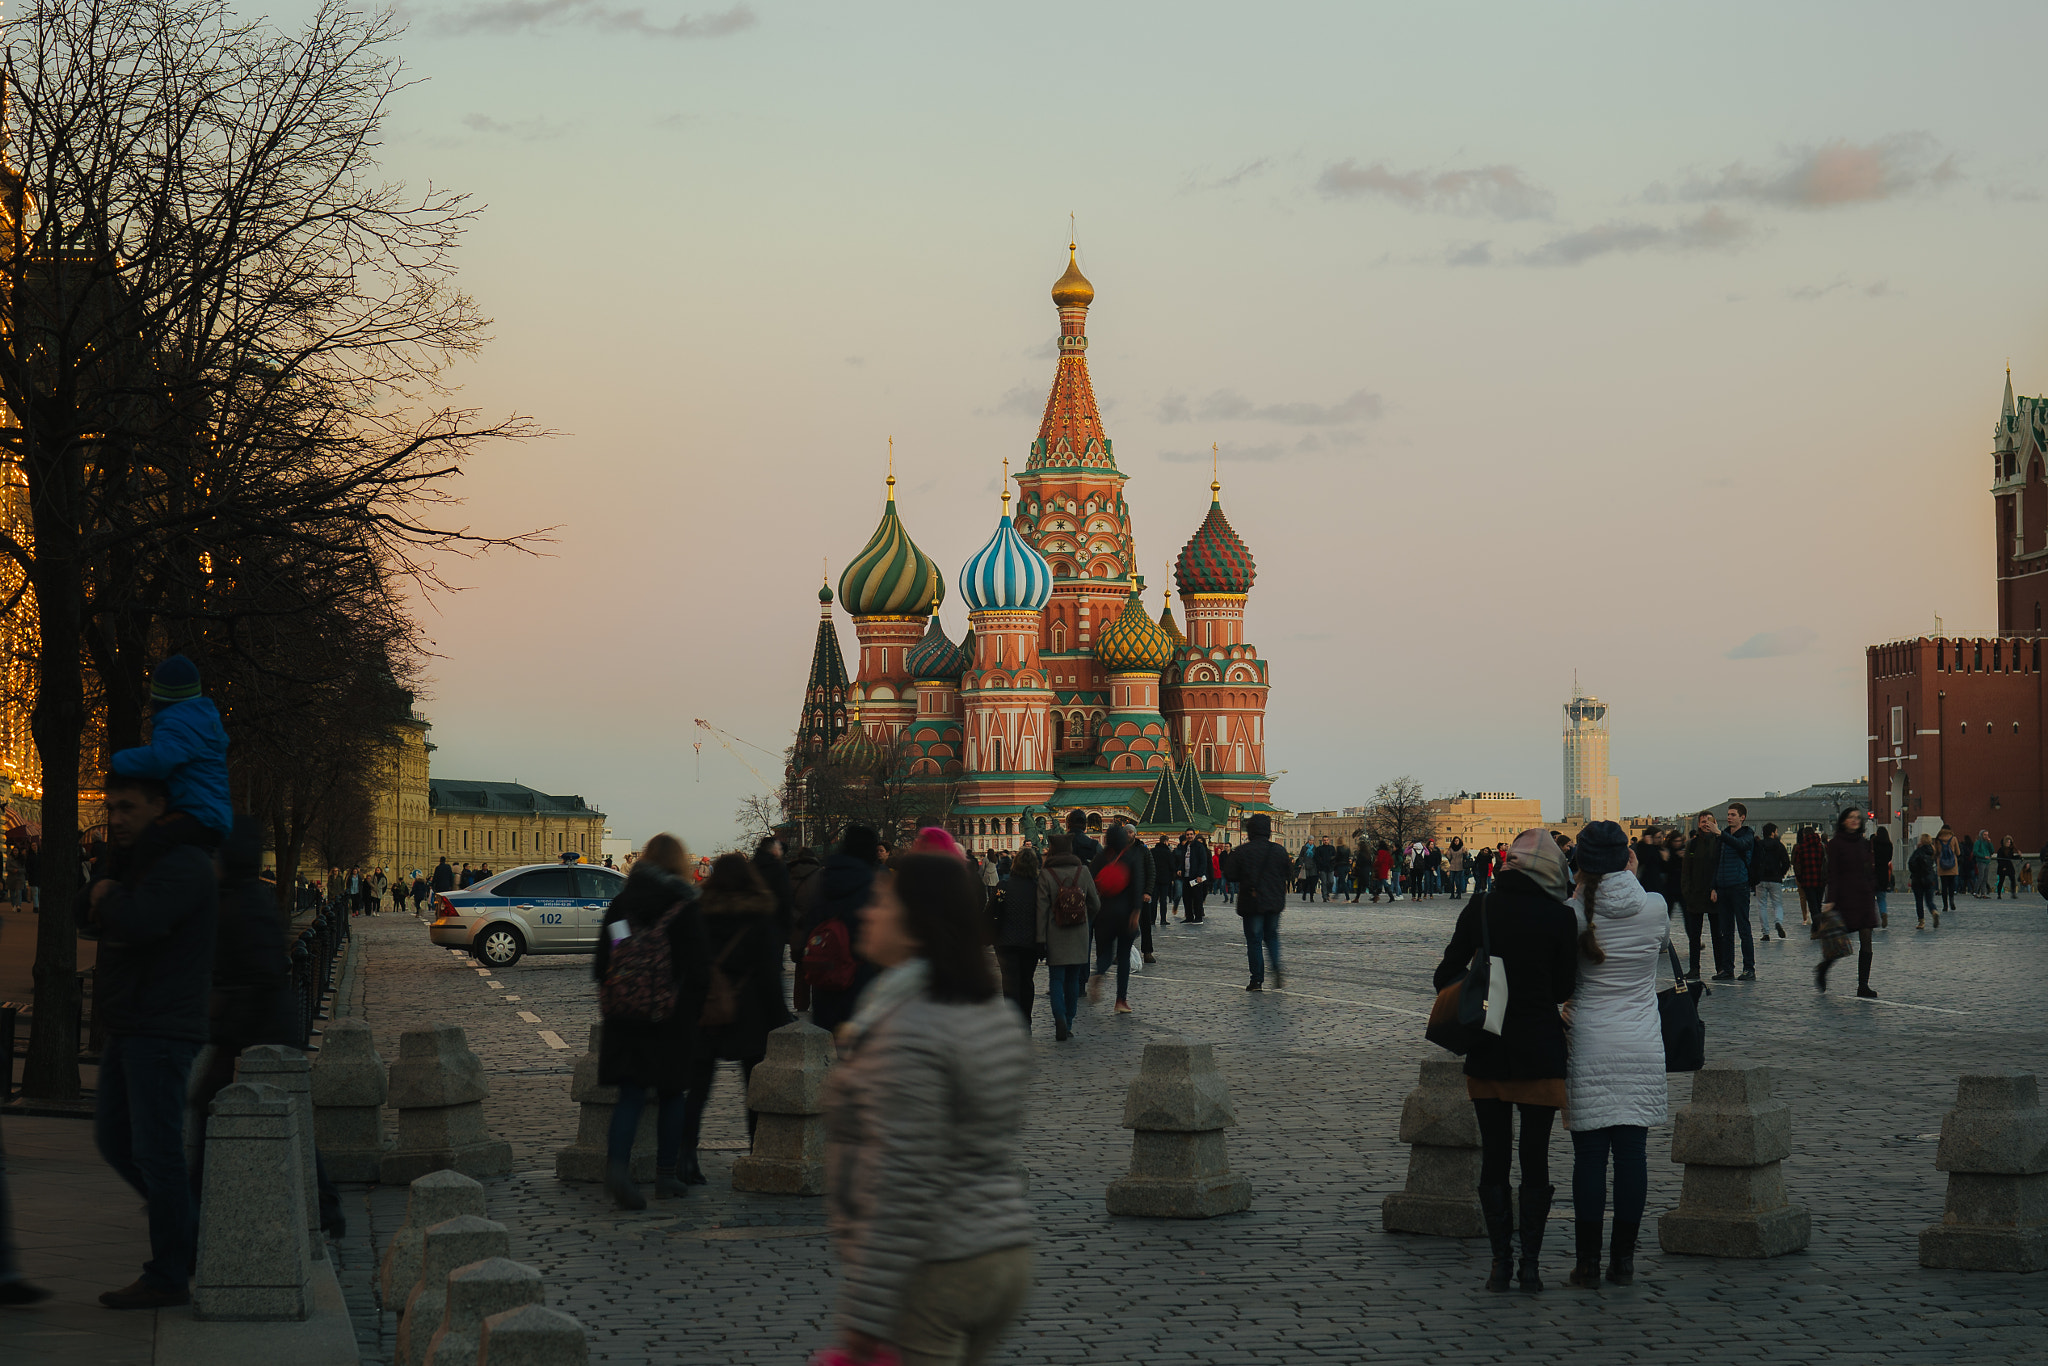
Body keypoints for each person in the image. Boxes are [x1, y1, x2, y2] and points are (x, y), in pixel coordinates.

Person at [823, 854, 1032, 1366]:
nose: (868, 913)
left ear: (917, 925)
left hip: (939, 1264)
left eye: (881, 902)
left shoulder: (909, 1029)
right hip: (1004, 1251)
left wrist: (864, 1315)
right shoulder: (994, 1011)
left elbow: (903, 1178)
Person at [86, 771, 220, 1309]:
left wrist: (108, 896)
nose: (115, 818)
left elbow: (141, 921)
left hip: (163, 1027)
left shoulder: (183, 862)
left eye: (126, 807)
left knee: (157, 1152)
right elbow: (81, 908)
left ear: (158, 805)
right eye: (109, 807)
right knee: (115, 1140)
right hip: (134, 1020)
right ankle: (185, 1236)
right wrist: (105, 889)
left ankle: (169, 1272)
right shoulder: (136, 861)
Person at [1432, 829, 1578, 1293]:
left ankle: (1499, 1264)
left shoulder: (1480, 908)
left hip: (1488, 1047)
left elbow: (1444, 976)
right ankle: (1530, 1266)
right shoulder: (1558, 918)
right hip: (1539, 1049)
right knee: (1535, 1159)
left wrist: (1482, 975)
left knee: (1494, 1156)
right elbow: (1562, 989)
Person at [1560, 822, 1667, 1289]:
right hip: (1641, 1041)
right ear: (1628, 857)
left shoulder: (1572, 913)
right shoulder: (1657, 907)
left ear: (1580, 863)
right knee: (1632, 1155)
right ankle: (1622, 1261)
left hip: (1588, 1040)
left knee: (1588, 1156)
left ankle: (1586, 1264)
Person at [592, 833, 710, 1208]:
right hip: (670, 1018)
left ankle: (618, 1169)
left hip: (625, 1017)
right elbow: (699, 969)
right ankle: (665, 1176)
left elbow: (604, 961)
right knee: (673, 1094)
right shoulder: (685, 906)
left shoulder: (622, 904)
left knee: (630, 1095)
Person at [683, 853, 792, 1186]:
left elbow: (687, 966)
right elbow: (770, 975)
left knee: (698, 1091)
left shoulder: (698, 912)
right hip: (751, 1013)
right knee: (754, 1090)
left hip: (707, 1011)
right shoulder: (760, 916)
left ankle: (684, 1158)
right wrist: (781, 1021)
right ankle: (758, 1155)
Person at [108, 655, 232, 844]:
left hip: (196, 814)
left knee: (151, 839)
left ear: (159, 701)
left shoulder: (175, 724)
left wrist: (120, 760)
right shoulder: (202, 723)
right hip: (212, 813)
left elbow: (160, 760)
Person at [803, 825, 885, 1035]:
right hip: (859, 979)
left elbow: (811, 924)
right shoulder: (870, 883)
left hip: (825, 977)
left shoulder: (824, 879)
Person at [1036, 835, 1098, 1042]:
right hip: (1079, 934)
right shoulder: (1084, 872)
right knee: (1072, 980)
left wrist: (1040, 938)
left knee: (1056, 979)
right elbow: (1095, 904)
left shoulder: (1046, 874)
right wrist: (1083, 916)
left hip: (1055, 934)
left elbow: (1041, 910)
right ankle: (1069, 1021)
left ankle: (1059, 1017)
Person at [1817, 809, 1880, 998]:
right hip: (1845, 897)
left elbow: (1868, 868)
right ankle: (1823, 968)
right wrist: (1830, 900)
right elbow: (1833, 873)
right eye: (1850, 817)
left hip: (1864, 896)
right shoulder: (1835, 844)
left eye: (1857, 818)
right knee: (1839, 943)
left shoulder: (1864, 843)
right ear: (1843, 821)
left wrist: (1873, 887)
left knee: (1866, 939)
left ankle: (1863, 985)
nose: (1854, 820)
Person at [1224, 813, 1291, 990]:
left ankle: (1257, 980)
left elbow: (1230, 875)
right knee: (1272, 936)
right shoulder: (1278, 850)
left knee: (1254, 940)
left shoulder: (1242, 851)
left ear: (1251, 830)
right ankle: (1276, 966)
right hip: (1274, 901)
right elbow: (1289, 873)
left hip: (1251, 901)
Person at [1087, 824, 1146, 1014]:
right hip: (1126, 914)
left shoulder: (1100, 858)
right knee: (1123, 957)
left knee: (1104, 953)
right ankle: (1121, 1000)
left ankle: (1098, 973)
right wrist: (1136, 912)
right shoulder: (1131, 857)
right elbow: (1138, 885)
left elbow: (1090, 882)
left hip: (1103, 913)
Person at [991, 845, 1043, 1031]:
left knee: (1010, 982)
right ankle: (1026, 1021)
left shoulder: (1003, 886)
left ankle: (1012, 1022)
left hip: (1006, 943)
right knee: (1027, 982)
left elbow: (991, 912)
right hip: (1030, 943)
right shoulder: (1038, 889)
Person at [1709, 802, 1757, 981]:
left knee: (1744, 929)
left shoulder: (1747, 834)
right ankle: (1727, 969)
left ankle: (1749, 968)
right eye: (1728, 814)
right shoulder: (1722, 836)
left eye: (1733, 815)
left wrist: (1720, 833)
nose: (1729, 817)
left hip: (1739, 886)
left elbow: (1741, 845)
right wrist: (1714, 886)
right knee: (1726, 931)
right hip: (1723, 887)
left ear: (1742, 818)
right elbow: (1717, 862)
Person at [1679, 812, 1718, 981]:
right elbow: (1686, 870)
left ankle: (1722, 968)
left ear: (1714, 823)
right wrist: (1687, 891)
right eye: (1703, 821)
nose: (1705, 824)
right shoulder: (1693, 844)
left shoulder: (1720, 842)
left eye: (1708, 821)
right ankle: (1694, 969)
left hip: (1714, 896)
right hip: (1695, 896)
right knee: (1695, 937)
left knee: (1718, 935)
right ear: (1698, 824)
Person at [1752, 823, 1790, 941]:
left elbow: (1753, 862)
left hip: (1760, 879)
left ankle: (1765, 933)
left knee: (1761, 905)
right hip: (1775, 879)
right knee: (1777, 904)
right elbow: (1786, 862)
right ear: (1773, 832)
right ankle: (1778, 921)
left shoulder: (1759, 845)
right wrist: (1781, 874)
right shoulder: (1779, 845)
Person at [1791, 825, 1826, 927]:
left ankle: (1816, 927)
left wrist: (1800, 878)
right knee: (1818, 904)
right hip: (1821, 880)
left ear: (1804, 835)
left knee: (1812, 904)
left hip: (1807, 880)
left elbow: (1797, 865)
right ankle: (1818, 925)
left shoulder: (1800, 848)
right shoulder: (1822, 847)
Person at [1908, 833, 1939, 928]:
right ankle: (1934, 911)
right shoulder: (1932, 851)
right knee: (1929, 900)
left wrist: (1914, 872)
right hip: (1930, 878)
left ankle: (1921, 922)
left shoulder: (1919, 851)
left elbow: (1911, 863)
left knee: (1919, 901)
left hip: (1918, 879)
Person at [1870, 824, 1894, 928]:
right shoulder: (1889, 845)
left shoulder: (1873, 843)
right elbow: (1889, 859)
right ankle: (1883, 913)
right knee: (1882, 898)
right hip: (1884, 873)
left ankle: (1872, 918)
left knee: (1870, 898)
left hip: (1873, 873)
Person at [1934, 826, 1962, 914]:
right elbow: (1958, 852)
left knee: (1944, 886)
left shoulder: (1938, 839)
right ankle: (1952, 902)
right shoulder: (1953, 838)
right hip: (1952, 865)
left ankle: (1945, 905)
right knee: (1951, 885)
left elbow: (1936, 852)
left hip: (1942, 866)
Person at [1970, 830, 1994, 898]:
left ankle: (1983, 893)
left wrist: (1990, 843)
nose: (1986, 836)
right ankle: (1975, 891)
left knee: (1985, 878)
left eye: (1987, 835)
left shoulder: (1987, 843)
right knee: (1980, 877)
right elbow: (1975, 852)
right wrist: (1983, 856)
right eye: (1984, 835)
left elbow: (1992, 851)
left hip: (1987, 862)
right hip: (1981, 861)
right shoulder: (1978, 842)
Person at [1995, 835, 2019, 900]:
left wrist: (2018, 856)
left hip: (2009, 866)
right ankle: (1999, 894)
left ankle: (2013, 893)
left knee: (2013, 879)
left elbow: (2011, 857)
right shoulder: (2001, 850)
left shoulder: (2010, 850)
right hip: (2002, 866)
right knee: (2001, 881)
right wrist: (2003, 867)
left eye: (2009, 842)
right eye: (2008, 842)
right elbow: (1999, 859)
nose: (2009, 844)